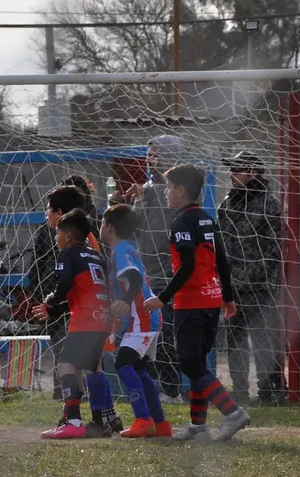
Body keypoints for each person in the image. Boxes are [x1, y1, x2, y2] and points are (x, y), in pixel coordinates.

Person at [144, 164, 250, 442]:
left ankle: (232, 412)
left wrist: (162, 298)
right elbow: (222, 261)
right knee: (198, 363)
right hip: (211, 300)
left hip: (191, 303)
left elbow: (187, 264)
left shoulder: (181, 223)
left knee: (190, 364)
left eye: (168, 187)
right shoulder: (206, 219)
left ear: (180, 190)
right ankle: (197, 424)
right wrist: (227, 296)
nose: (166, 192)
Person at [33, 185, 122, 434]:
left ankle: (76, 419)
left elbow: (66, 286)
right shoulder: (92, 250)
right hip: (101, 315)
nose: (46, 216)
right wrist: (56, 309)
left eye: (49, 211)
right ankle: (105, 418)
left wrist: (51, 300)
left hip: (85, 317)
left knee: (68, 366)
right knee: (92, 366)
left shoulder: (71, 251)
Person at [114, 135, 187, 400]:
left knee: (167, 335)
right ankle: (154, 385)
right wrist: (122, 205)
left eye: (156, 153)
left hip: (169, 274)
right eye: (149, 153)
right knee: (149, 333)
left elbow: (171, 219)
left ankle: (172, 389)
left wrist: (151, 194)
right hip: (147, 272)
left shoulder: (179, 188)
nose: (150, 159)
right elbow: (139, 228)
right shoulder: (145, 188)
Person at [217, 150, 285, 403]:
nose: (231, 174)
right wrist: (226, 281)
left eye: (237, 169)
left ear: (253, 173)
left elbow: (273, 251)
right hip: (232, 288)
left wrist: (247, 279)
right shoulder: (227, 202)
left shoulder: (269, 204)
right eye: (231, 169)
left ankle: (269, 392)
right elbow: (221, 244)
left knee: (264, 342)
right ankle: (240, 391)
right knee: (235, 343)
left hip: (260, 289)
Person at [99, 204, 171, 438]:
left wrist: (125, 300)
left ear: (109, 227)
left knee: (123, 365)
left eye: (101, 223)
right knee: (140, 370)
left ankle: (143, 418)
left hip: (141, 317)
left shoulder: (120, 251)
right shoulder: (124, 248)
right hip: (146, 318)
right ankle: (160, 424)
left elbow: (134, 278)